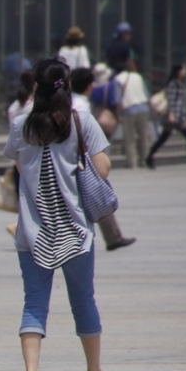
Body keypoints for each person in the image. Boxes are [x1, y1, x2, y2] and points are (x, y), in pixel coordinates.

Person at [3, 58, 114, 371]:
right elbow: (103, 169)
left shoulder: (21, 124)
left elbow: (19, 165)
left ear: (35, 86)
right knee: (83, 298)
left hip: (33, 231)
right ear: (66, 85)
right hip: (75, 231)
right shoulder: (81, 121)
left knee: (34, 303)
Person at [70, 67, 136, 251]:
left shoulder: (69, 101)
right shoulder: (81, 105)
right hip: (83, 159)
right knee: (97, 194)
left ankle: (113, 236)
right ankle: (112, 237)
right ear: (90, 86)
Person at [146, 63, 186, 169]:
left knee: (168, 137)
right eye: (184, 69)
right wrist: (171, 114)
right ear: (179, 71)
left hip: (179, 116)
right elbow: (171, 100)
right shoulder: (173, 84)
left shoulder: (179, 83)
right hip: (174, 116)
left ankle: (149, 157)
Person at [4, 70, 36, 238]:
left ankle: (22, 229)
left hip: (19, 160)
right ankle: (21, 228)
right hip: (35, 159)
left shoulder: (13, 108)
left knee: (24, 201)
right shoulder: (35, 105)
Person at [112, 62, 151, 169]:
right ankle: (145, 160)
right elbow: (146, 93)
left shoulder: (118, 79)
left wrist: (117, 114)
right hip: (143, 108)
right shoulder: (137, 76)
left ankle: (132, 162)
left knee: (129, 138)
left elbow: (118, 99)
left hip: (128, 109)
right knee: (144, 136)